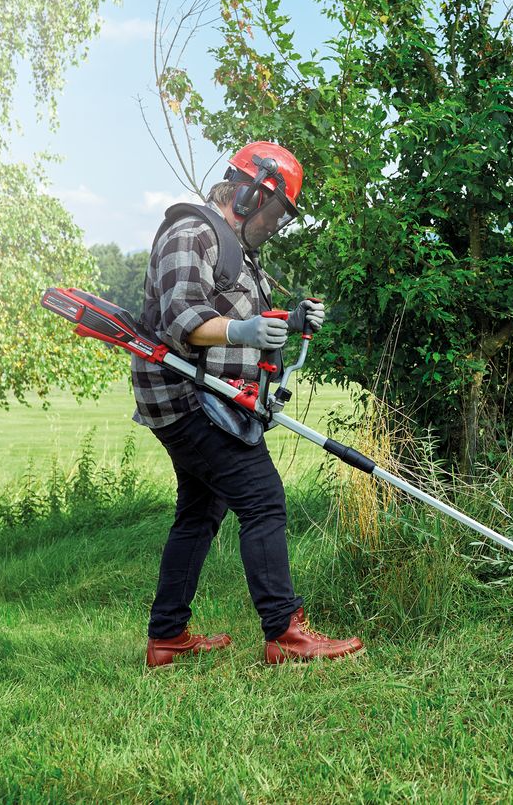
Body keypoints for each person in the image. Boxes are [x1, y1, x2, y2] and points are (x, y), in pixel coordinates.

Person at [132, 141, 364, 667]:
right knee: (262, 499)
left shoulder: (236, 248)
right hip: (188, 397)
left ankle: (167, 638)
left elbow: (246, 323)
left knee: (200, 511)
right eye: (277, 211)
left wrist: (291, 321)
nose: (278, 224)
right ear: (249, 192)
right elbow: (183, 321)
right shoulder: (191, 233)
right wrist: (244, 328)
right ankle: (285, 632)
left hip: (209, 398)